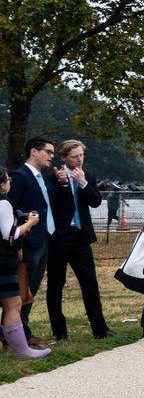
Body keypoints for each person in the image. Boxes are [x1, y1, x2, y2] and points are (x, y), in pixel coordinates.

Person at [47, 139, 111, 340]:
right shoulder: (53, 176)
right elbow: (51, 203)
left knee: (90, 283)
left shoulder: (88, 176)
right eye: (75, 156)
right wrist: (63, 184)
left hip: (81, 237)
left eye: (82, 155)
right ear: (64, 157)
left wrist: (82, 183)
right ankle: (60, 331)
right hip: (59, 238)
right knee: (56, 284)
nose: (79, 159)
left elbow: (95, 201)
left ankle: (100, 330)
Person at [10, 138, 56, 348]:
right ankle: (14, 335)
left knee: (32, 289)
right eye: (48, 152)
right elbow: (10, 207)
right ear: (34, 152)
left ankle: (23, 331)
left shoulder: (43, 179)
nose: (51, 156)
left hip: (43, 239)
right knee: (23, 289)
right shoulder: (20, 177)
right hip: (27, 242)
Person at [0, 169, 49, 360]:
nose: (10, 183)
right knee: (14, 304)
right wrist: (30, 223)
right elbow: (10, 234)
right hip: (3, 262)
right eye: (8, 180)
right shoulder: (3, 203)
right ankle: (21, 350)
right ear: (2, 185)